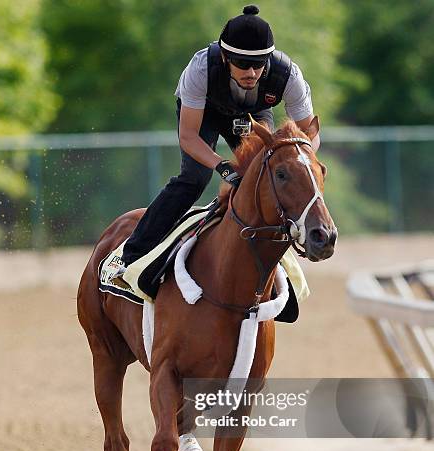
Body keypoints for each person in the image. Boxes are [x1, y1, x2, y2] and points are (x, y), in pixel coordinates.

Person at [120, 4, 319, 269]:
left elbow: (309, 136)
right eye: (242, 64)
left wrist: (300, 161)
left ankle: (273, 261)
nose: (251, 73)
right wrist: (221, 165)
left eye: (258, 65)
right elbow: (189, 137)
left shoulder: (288, 75)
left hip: (254, 113)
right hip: (206, 112)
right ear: (225, 57)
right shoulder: (201, 67)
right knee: (195, 178)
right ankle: (133, 254)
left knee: (267, 177)